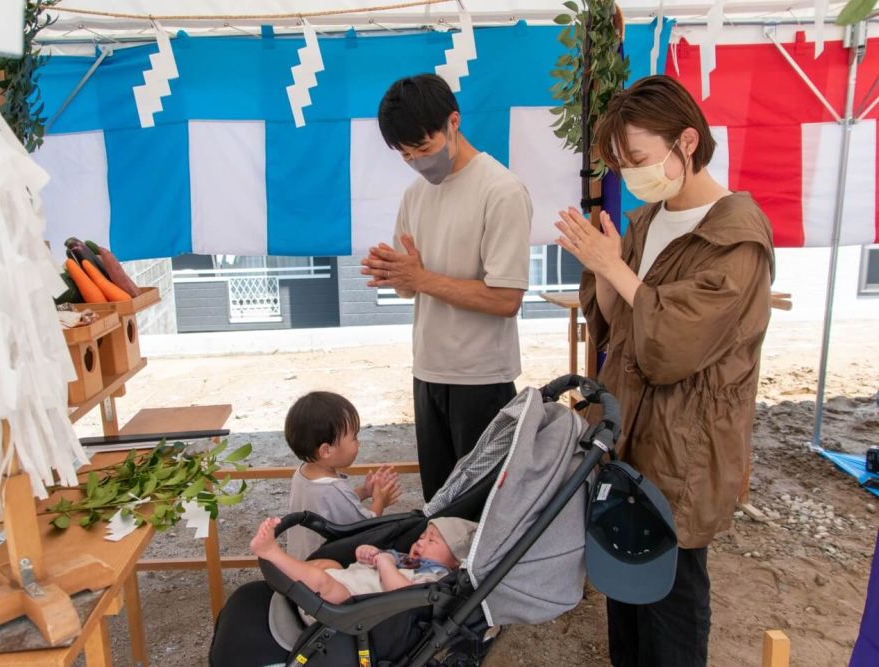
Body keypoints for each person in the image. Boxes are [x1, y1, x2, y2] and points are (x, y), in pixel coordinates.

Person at [554, 75, 774, 667]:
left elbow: (671, 346)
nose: (632, 177)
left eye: (640, 160)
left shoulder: (736, 238)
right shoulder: (650, 220)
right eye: (623, 166)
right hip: (628, 431)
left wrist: (616, 267)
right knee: (622, 581)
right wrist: (602, 268)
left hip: (685, 447)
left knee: (671, 597)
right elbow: (617, 325)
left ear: (687, 141)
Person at [361, 73, 533, 502]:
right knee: (438, 505)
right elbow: (411, 287)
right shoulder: (415, 195)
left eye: (423, 148)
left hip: (480, 378)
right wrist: (395, 274)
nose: (417, 160)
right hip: (427, 370)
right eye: (405, 154)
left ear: (453, 122)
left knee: (481, 510)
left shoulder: (501, 190)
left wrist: (420, 278)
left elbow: (506, 299)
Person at [251, 516, 477, 606]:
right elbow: (372, 559)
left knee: (322, 580)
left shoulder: (436, 578)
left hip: (345, 605)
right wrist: (366, 552)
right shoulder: (406, 559)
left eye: (432, 541)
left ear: (455, 561)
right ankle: (290, 574)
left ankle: (272, 553)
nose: (420, 542)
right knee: (329, 564)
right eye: (421, 536)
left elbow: (401, 593)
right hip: (348, 580)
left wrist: (385, 562)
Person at [284, 391, 402, 560]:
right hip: (326, 570)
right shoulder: (333, 489)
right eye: (354, 437)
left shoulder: (303, 473)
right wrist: (379, 501)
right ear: (326, 450)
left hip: (301, 561)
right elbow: (366, 528)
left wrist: (364, 491)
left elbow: (331, 507)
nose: (358, 442)